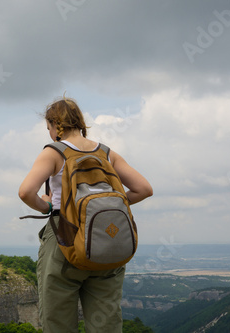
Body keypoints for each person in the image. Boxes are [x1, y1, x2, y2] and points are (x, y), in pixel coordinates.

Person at [18, 96, 153, 332]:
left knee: (58, 323)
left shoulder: (53, 152)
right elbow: (144, 189)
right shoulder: (107, 154)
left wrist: (48, 206)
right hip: (106, 241)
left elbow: (26, 192)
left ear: (54, 125)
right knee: (107, 324)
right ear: (80, 122)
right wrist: (110, 206)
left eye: (48, 127)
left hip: (64, 238)